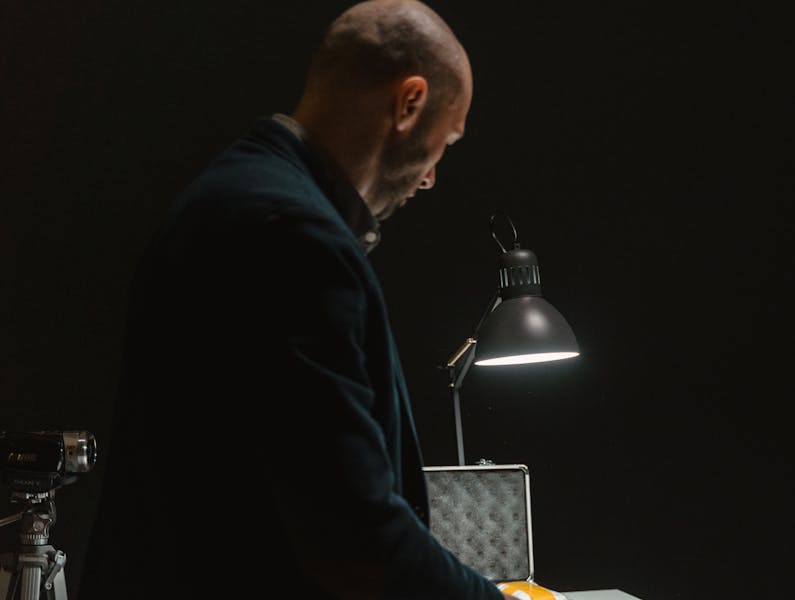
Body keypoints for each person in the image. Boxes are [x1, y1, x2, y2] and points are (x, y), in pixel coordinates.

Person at [81, 1, 519, 598]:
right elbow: (354, 538)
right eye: (446, 141)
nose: (430, 176)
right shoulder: (293, 235)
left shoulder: (238, 192)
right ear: (409, 103)